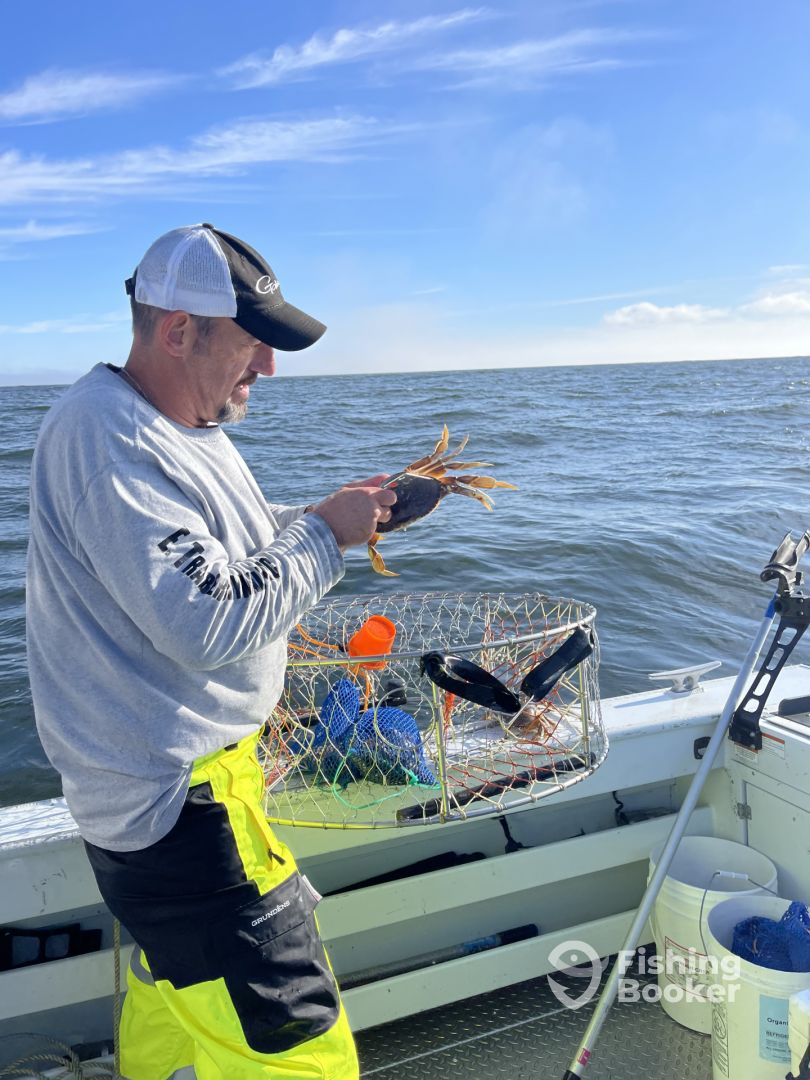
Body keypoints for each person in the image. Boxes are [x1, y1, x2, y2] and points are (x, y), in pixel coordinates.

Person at [26, 223, 397, 1079]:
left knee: (175, 995)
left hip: (185, 799)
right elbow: (205, 621)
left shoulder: (174, 425)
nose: (268, 366)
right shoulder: (110, 440)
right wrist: (326, 538)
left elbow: (227, 555)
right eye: (251, 341)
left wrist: (337, 518)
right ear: (178, 330)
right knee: (297, 1052)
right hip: (184, 813)